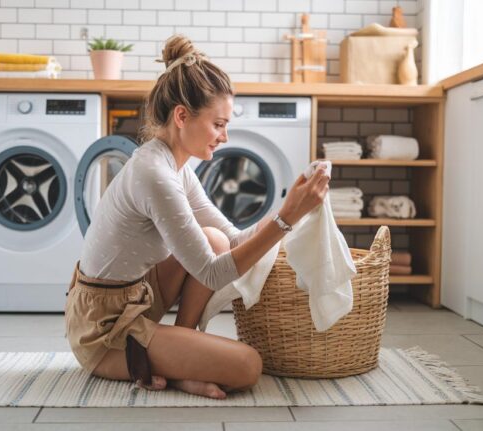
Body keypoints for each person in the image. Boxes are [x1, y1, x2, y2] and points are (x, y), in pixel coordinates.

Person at [65, 34, 330, 400]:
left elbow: (231, 240)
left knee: (214, 239)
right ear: (181, 116)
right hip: (103, 330)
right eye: (218, 124)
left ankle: (180, 353)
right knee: (248, 366)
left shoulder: (176, 166)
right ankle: (173, 366)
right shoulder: (155, 175)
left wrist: (293, 210)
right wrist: (286, 218)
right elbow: (212, 273)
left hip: (136, 298)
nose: (225, 137)